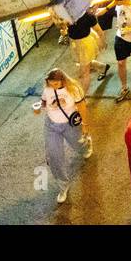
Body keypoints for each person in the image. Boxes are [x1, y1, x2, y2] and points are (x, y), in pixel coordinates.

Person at [34, 68, 91, 205]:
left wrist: (84, 124)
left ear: (63, 80)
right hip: (51, 126)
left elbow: (82, 106)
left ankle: (86, 145)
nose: (53, 86)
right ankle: (63, 186)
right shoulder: (47, 90)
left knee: (78, 145)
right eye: (50, 83)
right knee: (54, 156)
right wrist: (37, 108)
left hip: (70, 124)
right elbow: (43, 104)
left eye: (56, 84)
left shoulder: (73, 90)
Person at [63, 8, 110, 94]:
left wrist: (103, 42)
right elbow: (66, 28)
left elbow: (99, 30)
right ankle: (103, 67)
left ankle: (82, 96)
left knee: (84, 72)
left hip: (85, 43)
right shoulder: (68, 15)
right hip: (75, 42)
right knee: (82, 63)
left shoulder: (88, 15)